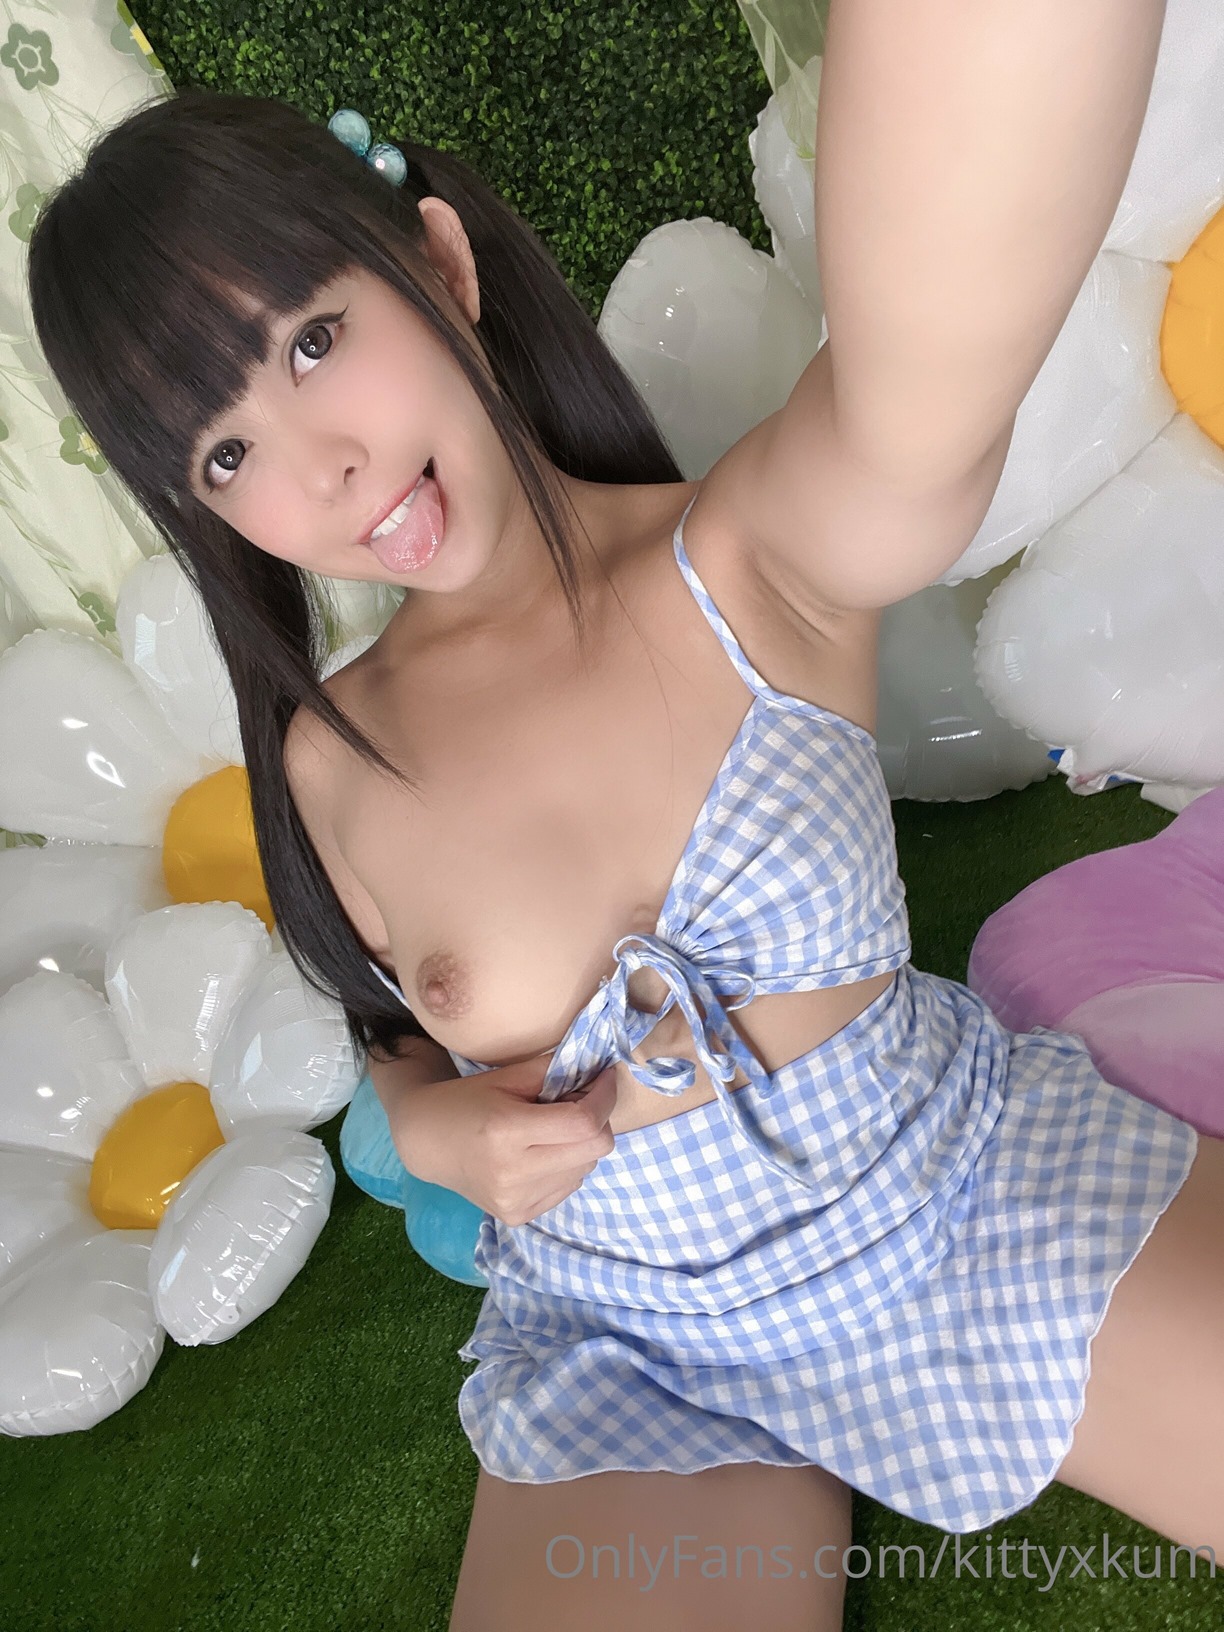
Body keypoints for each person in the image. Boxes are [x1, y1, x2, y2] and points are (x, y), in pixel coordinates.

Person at [25, 3, 1222, 1626]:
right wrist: (432, 1126)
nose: (324, 466)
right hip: (631, 1345)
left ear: (438, 263)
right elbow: (391, 1035)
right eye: (227, 451)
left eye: (312, 343)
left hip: (957, 1199)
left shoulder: (752, 557)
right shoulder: (327, 762)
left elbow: (927, 374)